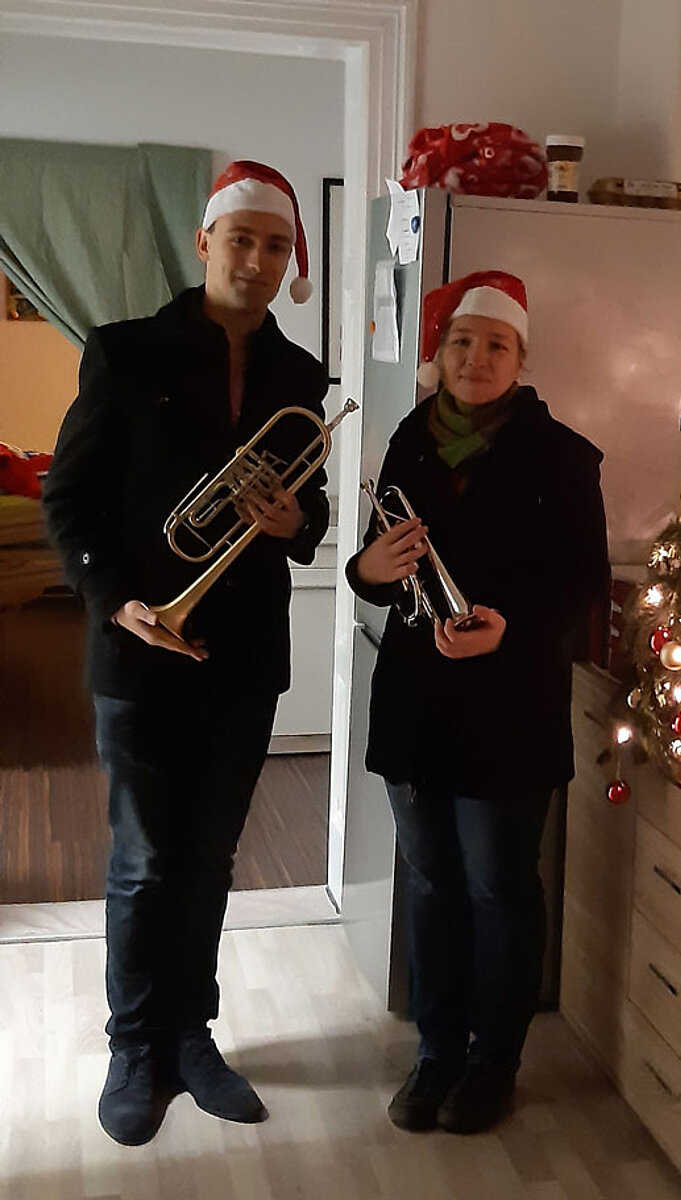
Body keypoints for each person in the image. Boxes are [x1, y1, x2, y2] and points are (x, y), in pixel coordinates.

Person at [43, 160, 330, 1147]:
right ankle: (133, 1047)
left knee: (209, 859)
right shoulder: (124, 352)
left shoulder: (299, 373)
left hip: (243, 657)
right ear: (205, 242)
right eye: (241, 240)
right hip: (139, 649)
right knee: (143, 860)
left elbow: (307, 506)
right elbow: (68, 499)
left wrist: (297, 521)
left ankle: (191, 1036)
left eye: (276, 245)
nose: (257, 260)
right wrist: (113, 600)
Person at [346, 271, 610, 1134]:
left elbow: (583, 588)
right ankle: (436, 1053)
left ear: (520, 359)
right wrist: (364, 570)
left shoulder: (564, 456)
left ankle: (493, 1062)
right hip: (417, 702)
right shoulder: (409, 437)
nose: (476, 357)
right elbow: (378, 569)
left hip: (509, 706)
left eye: (496, 344)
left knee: (498, 886)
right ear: (441, 352)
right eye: (462, 341)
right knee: (430, 884)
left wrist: (512, 629)